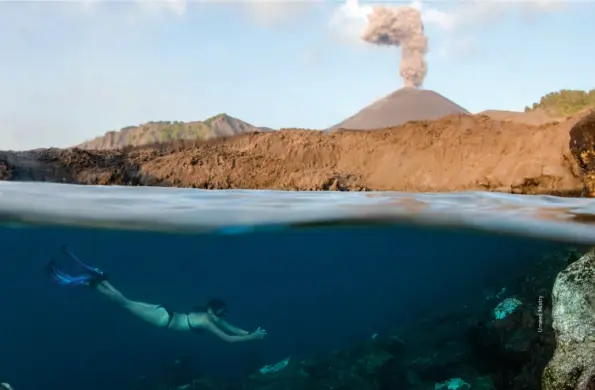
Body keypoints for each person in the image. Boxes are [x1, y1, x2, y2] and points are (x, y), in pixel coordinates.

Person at [46, 245, 267, 343]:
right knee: (124, 304)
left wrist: (250, 333)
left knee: (127, 301)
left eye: (222, 315)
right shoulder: (209, 321)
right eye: (220, 313)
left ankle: (97, 279)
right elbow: (228, 339)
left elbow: (232, 329)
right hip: (163, 319)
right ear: (212, 310)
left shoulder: (209, 316)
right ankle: (92, 282)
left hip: (165, 312)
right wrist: (253, 338)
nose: (220, 317)